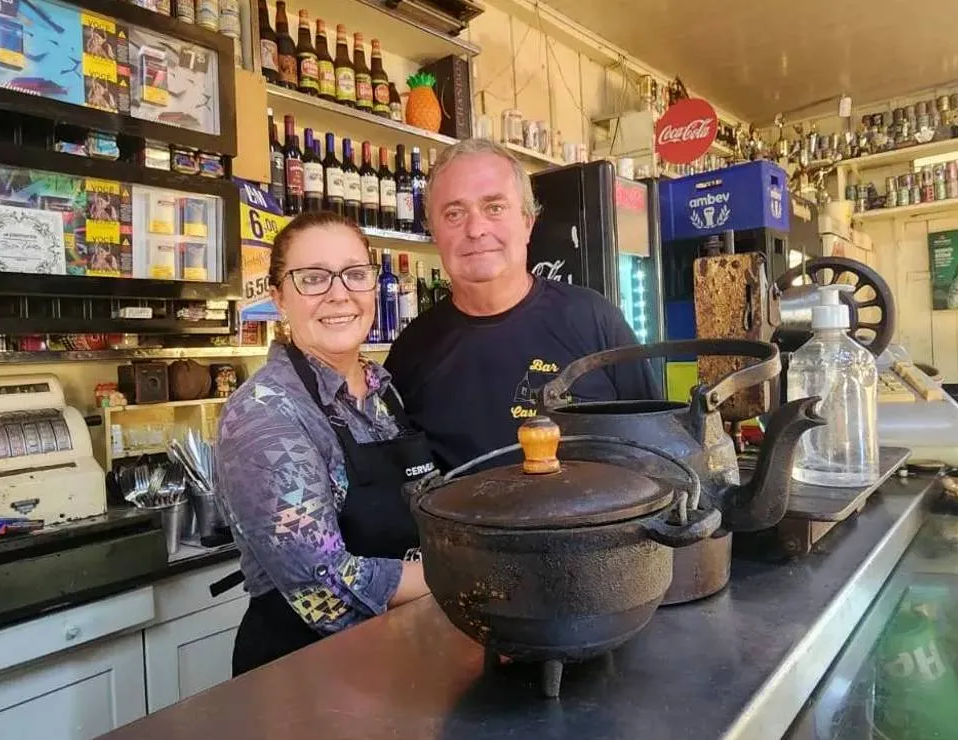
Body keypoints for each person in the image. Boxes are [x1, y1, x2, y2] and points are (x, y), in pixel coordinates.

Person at [213, 211, 433, 677]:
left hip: (399, 661)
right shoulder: (263, 414)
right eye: (313, 278)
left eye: (355, 274)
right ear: (279, 298)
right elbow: (326, 589)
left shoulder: (384, 391)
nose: (339, 293)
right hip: (305, 678)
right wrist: (460, 573)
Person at [385, 138, 660, 472]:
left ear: (528, 222)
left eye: (494, 208)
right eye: (454, 214)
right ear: (434, 232)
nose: (475, 229)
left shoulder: (594, 319)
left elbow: (659, 448)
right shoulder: (410, 354)